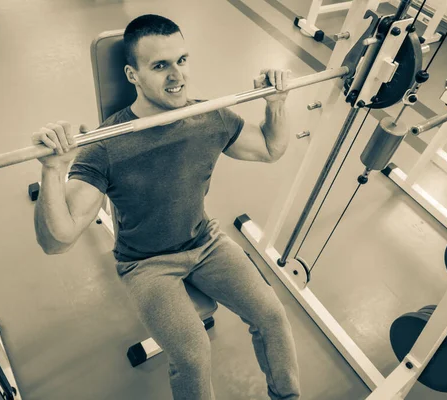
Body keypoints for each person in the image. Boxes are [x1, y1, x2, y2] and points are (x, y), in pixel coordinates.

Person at [33, 14, 300, 400]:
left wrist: (276, 104)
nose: (177, 76)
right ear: (133, 75)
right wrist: (53, 170)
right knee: (193, 355)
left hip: (206, 243)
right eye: (160, 66)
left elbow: (271, 149)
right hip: (146, 264)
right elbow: (57, 240)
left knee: (273, 317)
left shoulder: (209, 117)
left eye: (182, 60)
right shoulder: (106, 145)